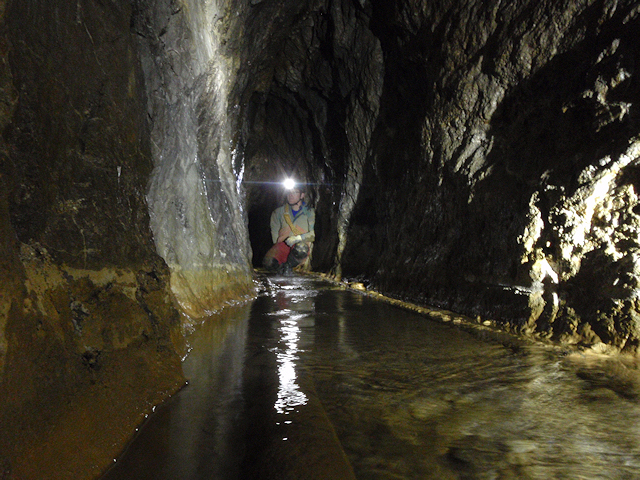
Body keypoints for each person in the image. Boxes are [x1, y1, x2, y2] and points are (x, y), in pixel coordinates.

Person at [263, 183, 315, 274]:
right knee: (268, 262)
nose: (291, 195)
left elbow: (314, 234)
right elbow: (276, 240)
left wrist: (298, 238)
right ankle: (281, 267)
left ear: (302, 195)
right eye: (289, 192)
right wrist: (283, 237)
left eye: (295, 192)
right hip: (285, 245)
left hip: (300, 249)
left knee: (301, 248)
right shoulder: (278, 213)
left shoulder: (310, 213)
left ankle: (289, 266)